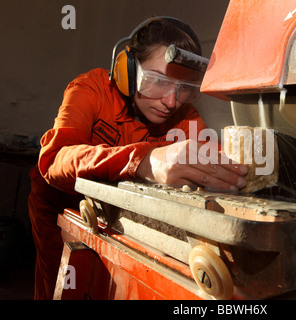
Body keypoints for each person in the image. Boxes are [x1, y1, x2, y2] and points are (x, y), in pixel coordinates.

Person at [27, 16, 248, 300]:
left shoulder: (185, 117)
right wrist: (146, 161)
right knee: (63, 284)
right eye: (158, 81)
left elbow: (212, 161)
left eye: (184, 88)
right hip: (59, 204)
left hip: (117, 216)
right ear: (126, 70)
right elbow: (56, 159)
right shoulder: (90, 88)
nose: (171, 101)